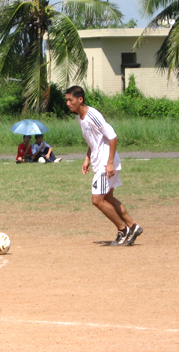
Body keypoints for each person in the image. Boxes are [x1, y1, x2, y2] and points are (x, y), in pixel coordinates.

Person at [65, 85, 143, 246]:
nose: (68, 103)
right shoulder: (81, 118)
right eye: (66, 100)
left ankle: (123, 230)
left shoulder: (92, 116)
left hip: (105, 164)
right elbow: (94, 141)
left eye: (70, 100)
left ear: (80, 99)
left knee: (97, 200)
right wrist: (87, 158)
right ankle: (133, 227)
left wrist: (109, 163)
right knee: (107, 198)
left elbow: (112, 137)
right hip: (100, 162)